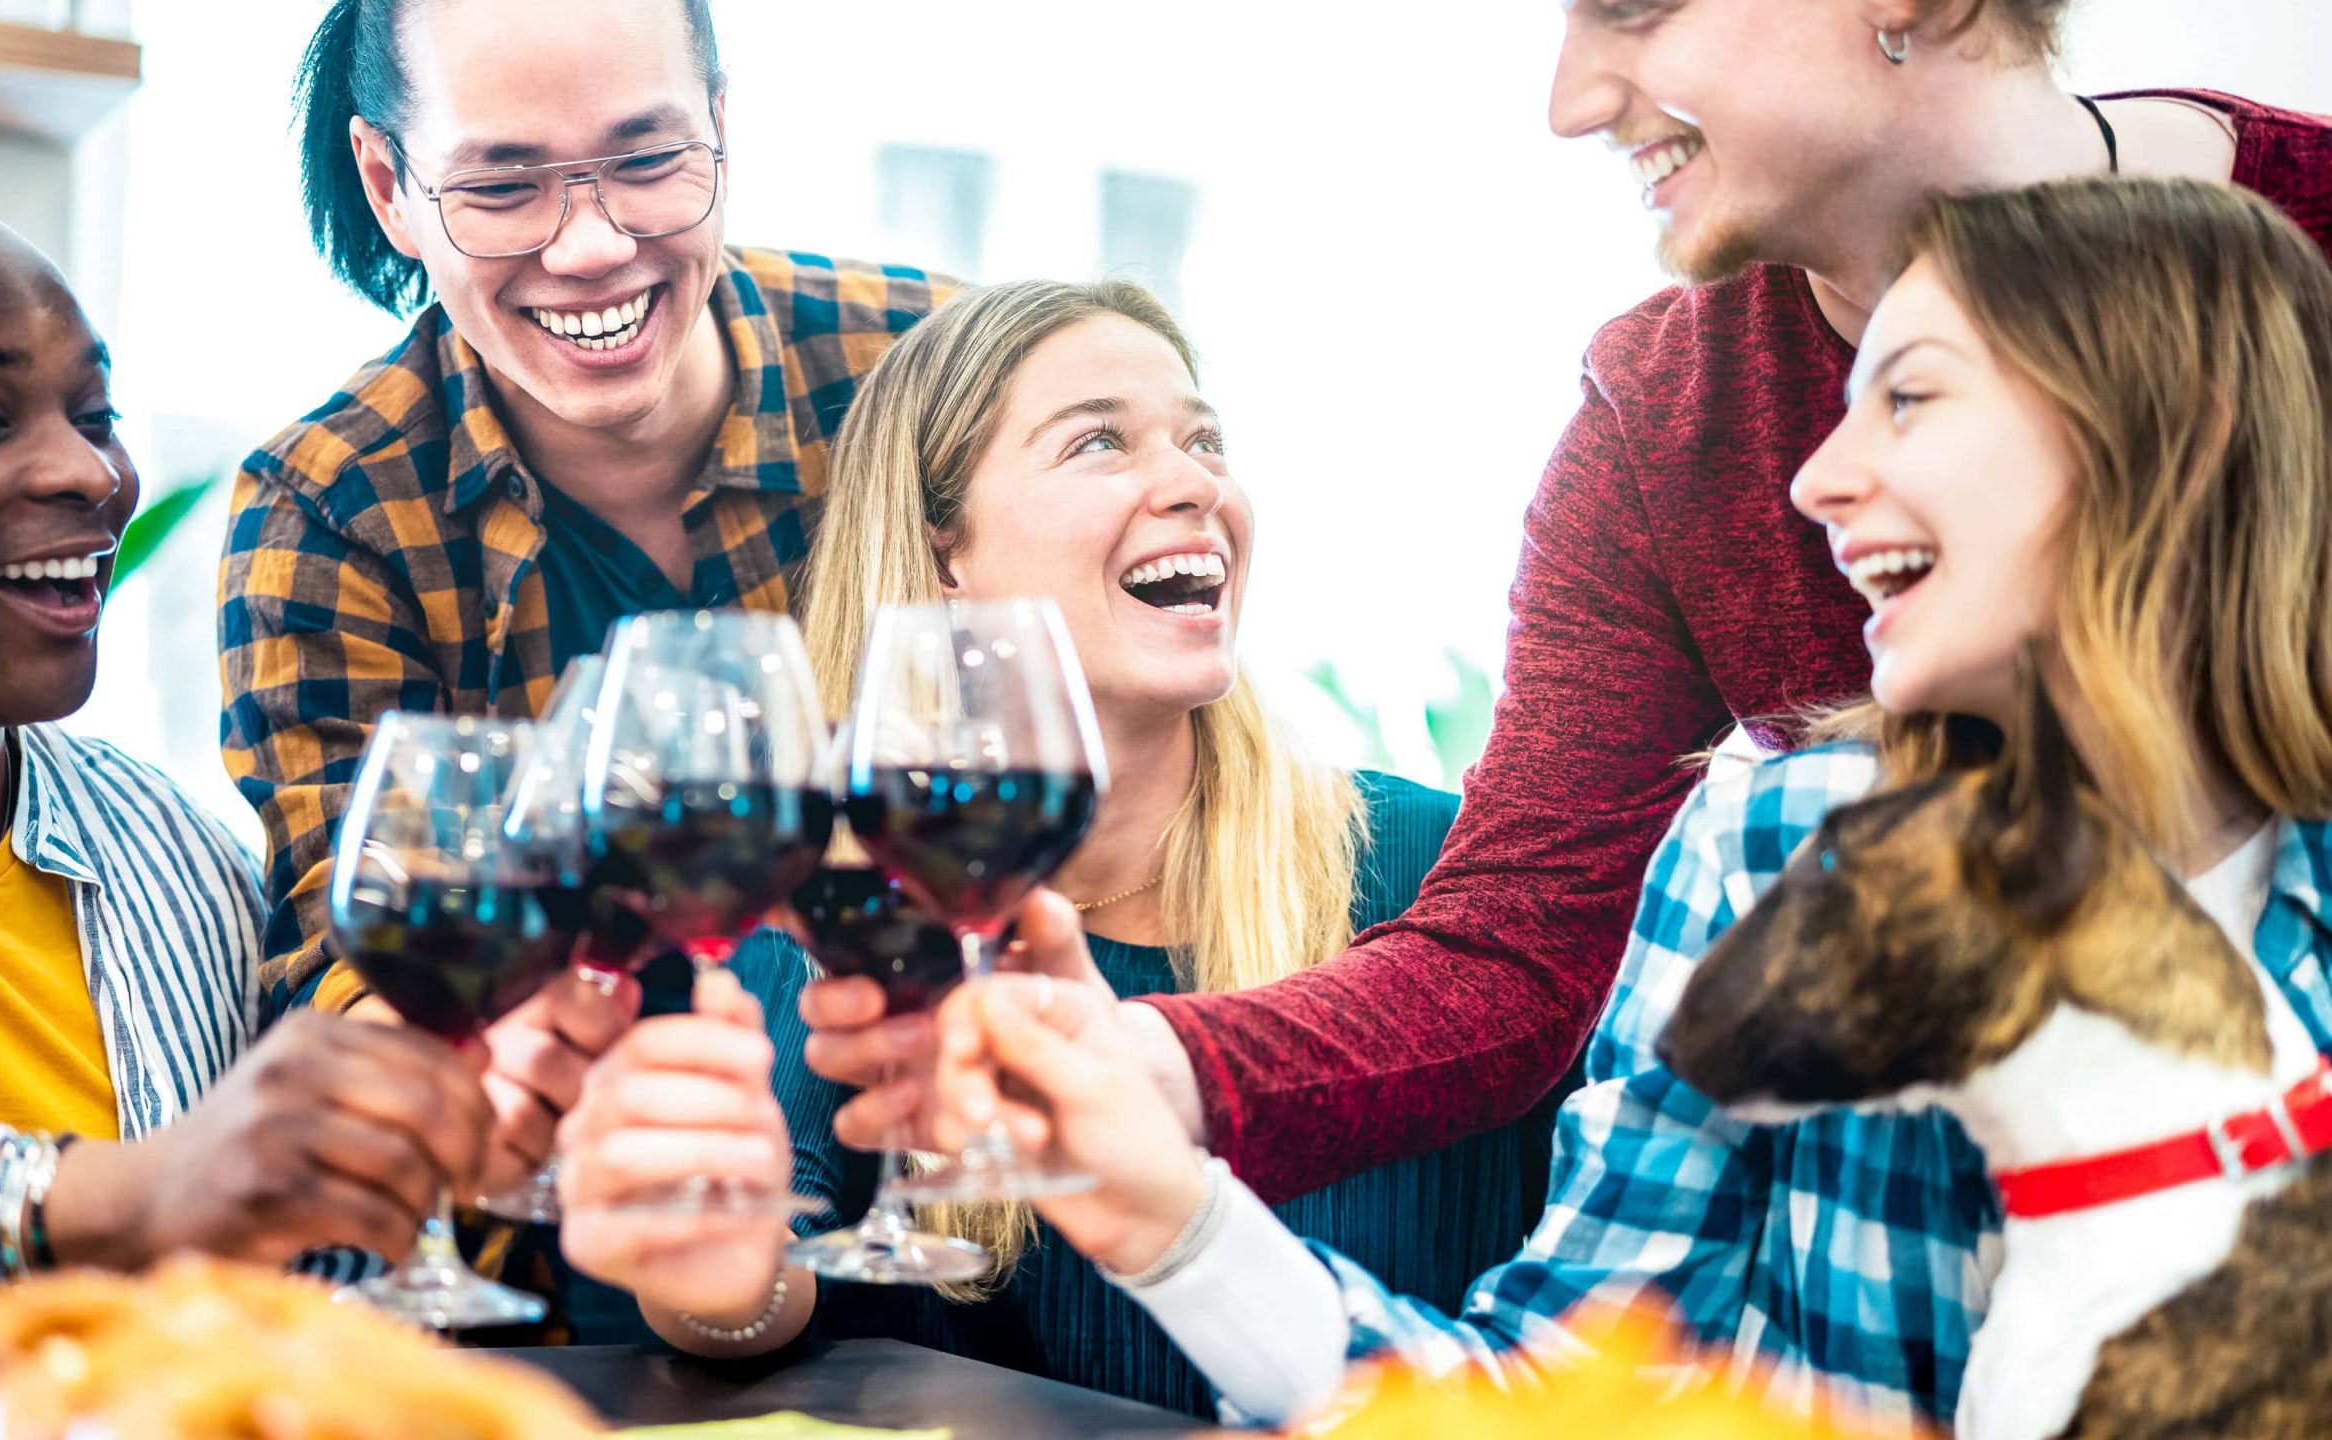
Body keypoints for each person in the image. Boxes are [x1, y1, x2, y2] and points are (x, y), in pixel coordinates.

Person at [797, 1, 2332, 1211]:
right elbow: (1524, 954)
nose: (1569, 99)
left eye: (1636, 7)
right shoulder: (1668, 412)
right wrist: (1146, 1065)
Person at [924, 175, 2332, 1432]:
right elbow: (1558, 1388)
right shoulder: (1781, 852)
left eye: (1909, 399)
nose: (1816, 481)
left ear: (2170, 437)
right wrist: (1176, 1225)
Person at [553, 279, 1559, 1411]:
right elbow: (756, 1292)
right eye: (1098, 442)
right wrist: (709, 1275)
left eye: (1204, 439)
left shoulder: (1445, 876)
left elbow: (1595, 1332)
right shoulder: (837, 900)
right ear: (947, 555)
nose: (1195, 484)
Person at [0, 189, 606, 1435]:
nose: (88, 471)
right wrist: (94, 1200)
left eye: (95, 415)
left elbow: (286, 1315)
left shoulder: (179, 858)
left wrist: (422, 1164)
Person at [222, 0, 956, 1015]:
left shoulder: (929, 369)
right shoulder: (335, 508)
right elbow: (344, 963)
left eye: (649, 162)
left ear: (722, 135)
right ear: (389, 188)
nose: (592, 247)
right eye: (503, 186)